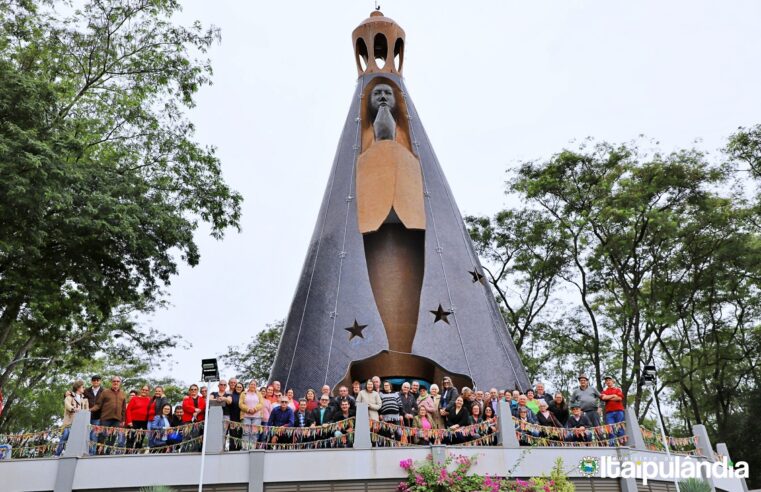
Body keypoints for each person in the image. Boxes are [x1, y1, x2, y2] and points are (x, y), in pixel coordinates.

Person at [90, 375, 127, 449]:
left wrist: (123, 420)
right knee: (101, 437)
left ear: (120, 383)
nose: (116, 383)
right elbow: (98, 405)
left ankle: (108, 453)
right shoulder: (105, 392)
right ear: (111, 382)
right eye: (114, 381)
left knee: (112, 438)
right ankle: (99, 454)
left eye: (117, 381)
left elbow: (123, 409)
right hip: (105, 419)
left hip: (116, 420)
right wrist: (90, 410)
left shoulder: (123, 394)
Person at [56, 380, 89, 456]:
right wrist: (74, 409)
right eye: (83, 387)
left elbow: (86, 410)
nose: (84, 388)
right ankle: (57, 454)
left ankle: (72, 454)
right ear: (78, 388)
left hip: (79, 423)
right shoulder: (69, 397)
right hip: (69, 422)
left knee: (76, 439)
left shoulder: (84, 399)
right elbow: (67, 405)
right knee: (64, 437)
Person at [601, 375, 626, 444]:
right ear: (605, 383)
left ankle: (622, 444)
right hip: (609, 413)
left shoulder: (617, 389)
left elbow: (619, 398)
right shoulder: (604, 391)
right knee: (610, 429)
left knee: (620, 428)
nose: (608, 381)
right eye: (606, 381)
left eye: (609, 380)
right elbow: (603, 398)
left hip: (619, 411)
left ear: (613, 381)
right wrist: (613, 395)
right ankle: (612, 445)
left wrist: (608, 398)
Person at [239, 380, 264, 448]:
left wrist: (254, 409)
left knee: (254, 433)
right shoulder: (243, 393)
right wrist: (248, 409)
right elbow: (240, 404)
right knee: (246, 433)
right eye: (251, 384)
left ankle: (252, 449)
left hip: (257, 417)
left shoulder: (259, 394)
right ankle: (245, 449)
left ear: (256, 386)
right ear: (249, 385)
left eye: (254, 384)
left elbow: (261, 404)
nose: (253, 386)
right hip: (246, 416)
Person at [125, 384, 151, 449]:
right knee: (130, 440)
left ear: (148, 391)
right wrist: (129, 421)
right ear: (140, 390)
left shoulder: (149, 400)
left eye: (146, 390)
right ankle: (127, 456)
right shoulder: (134, 398)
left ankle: (136, 456)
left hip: (144, 423)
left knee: (139, 441)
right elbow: (128, 410)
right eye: (143, 390)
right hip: (133, 422)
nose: (144, 391)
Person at [83, 375, 103, 454]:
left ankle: (92, 454)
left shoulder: (104, 391)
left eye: (97, 380)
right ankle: (84, 452)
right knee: (85, 435)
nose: (96, 382)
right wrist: (66, 394)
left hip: (97, 417)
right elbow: (76, 395)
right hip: (86, 417)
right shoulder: (86, 391)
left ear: (100, 381)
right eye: (94, 380)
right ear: (91, 381)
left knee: (94, 436)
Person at [229, 381, 244, 451]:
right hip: (233, 419)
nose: (239, 388)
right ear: (235, 388)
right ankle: (232, 451)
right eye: (237, 387)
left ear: (242, 388)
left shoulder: (245, 396)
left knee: (241, 436)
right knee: (233, 436)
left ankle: (239, 450)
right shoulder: (231, 395)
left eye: (240, 387)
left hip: (242, 419)